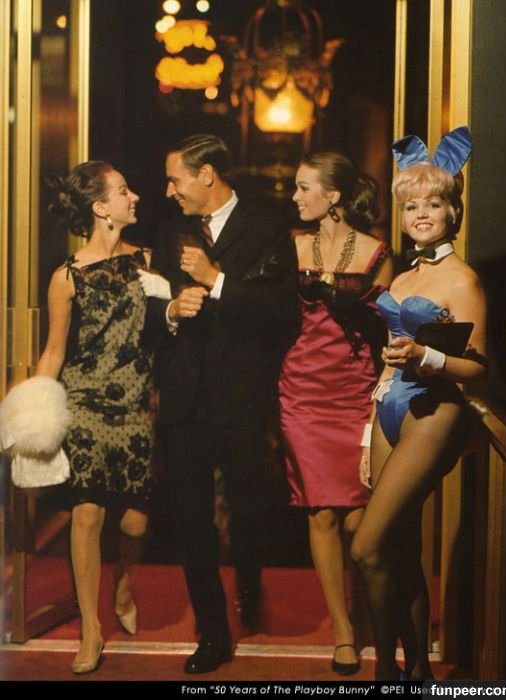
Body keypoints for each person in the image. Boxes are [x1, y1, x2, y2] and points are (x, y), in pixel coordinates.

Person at [138, 133, 298, 674]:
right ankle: (212, 632)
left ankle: (248, 582)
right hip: (183, 400)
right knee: (191, 519)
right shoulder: (170, 231)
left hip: (241, 399)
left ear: (207, 174)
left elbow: (282, 315)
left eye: (175, 180)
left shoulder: (267, 227)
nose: (168, 191)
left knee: (250, 510)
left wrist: (217, 281)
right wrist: (170, 312)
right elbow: (148, 313)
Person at [351, 127, 487, 680]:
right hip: (390, 406)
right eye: (411, 206)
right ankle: (415, 674)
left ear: (452, 211)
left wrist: (426, 356)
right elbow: (389, 362)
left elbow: (479, 368)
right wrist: (368, 433)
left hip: (435, 411)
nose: (422, 214)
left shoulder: (463, 280)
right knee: (399, 552)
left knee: (366, 547)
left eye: (433, 203)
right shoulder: (405, 275)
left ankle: (386, 670)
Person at [35, 161, 154, 674]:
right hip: (83, 402)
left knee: (134, 522)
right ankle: (91, 627)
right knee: (87, 513)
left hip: (136, 405)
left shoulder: (148, 262)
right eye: (124, 191)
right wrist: (33, 412)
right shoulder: (65, 277)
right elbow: (54, 351)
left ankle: (124, 579)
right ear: (101, 207)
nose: (135, 197)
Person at [278, 152, 393, 676]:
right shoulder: (291, 246)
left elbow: (388, 331)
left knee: (359, 520)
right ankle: (343, 631)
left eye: (305, 188)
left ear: (334, 196)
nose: (295, 197)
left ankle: (371, 616)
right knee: (320, 512)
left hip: (356, 391)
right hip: (302, 392)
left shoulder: (376, 253)